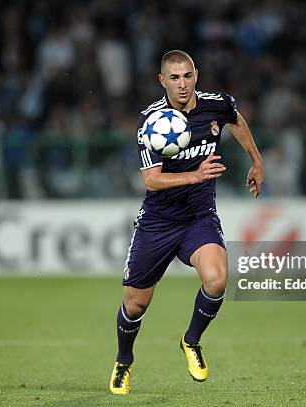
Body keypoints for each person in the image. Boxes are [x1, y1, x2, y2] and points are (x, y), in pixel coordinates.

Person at [110, 50, 264, 395]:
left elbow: (236, 120)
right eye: (175, 78)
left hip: (198, 218)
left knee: (217, 280)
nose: (183, 84)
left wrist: (256, 161)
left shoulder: (216, 104)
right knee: (135, 303)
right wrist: (196, 176)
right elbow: (151, 181)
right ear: (162, 80)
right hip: (158, 222)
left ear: (196, 75)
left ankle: (191, 340)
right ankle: (123, 362)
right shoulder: (151, 121)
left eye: (188, 76)